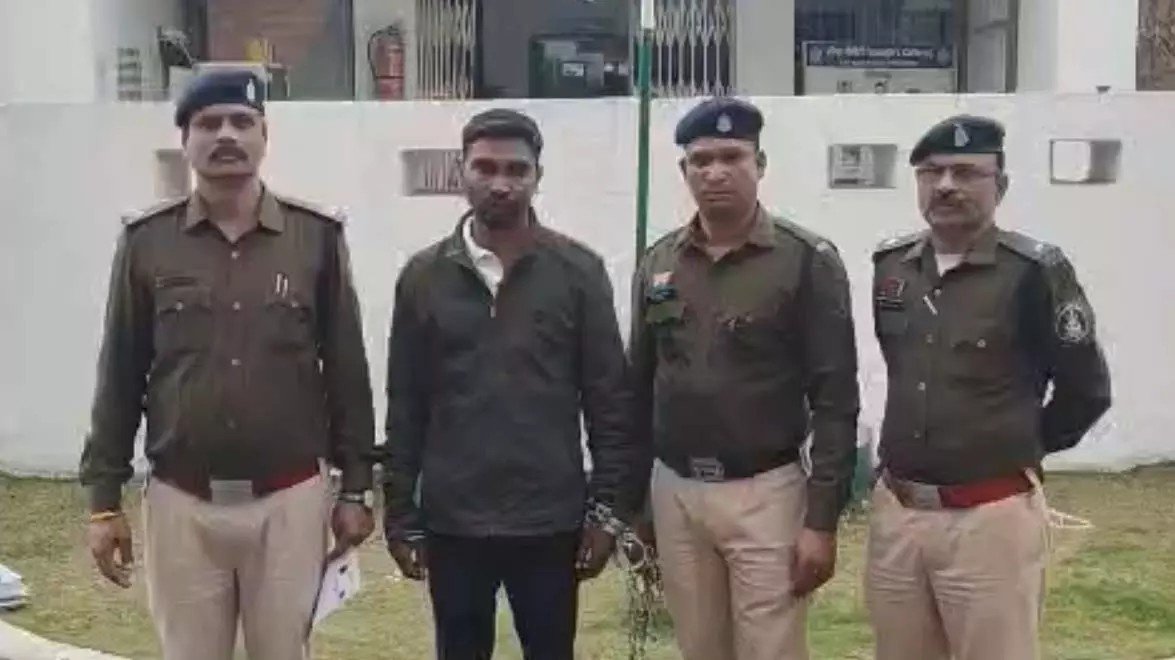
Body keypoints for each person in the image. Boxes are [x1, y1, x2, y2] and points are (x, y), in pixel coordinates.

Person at [78, 69, 376, 660]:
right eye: (208, 123)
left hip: (289, 501)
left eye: (242, 122)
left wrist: (357, 488)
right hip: (182, 503)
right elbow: (120, 374)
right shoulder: (147, 242)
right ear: (185, 139)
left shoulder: (314, 238)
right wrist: (103, 502)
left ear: (265, 135)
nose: (226, 135)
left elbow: (347, 370)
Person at [382, 108, 646, 660]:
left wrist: (607, 513)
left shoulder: (578, 272)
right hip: (454, 521)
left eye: (516, 170)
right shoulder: (424, 277)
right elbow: (405, 405)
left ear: (537, 176)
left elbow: (608, 403)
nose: (500, 183)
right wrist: (402, 517)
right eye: (484, 167)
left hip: (549, 520)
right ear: (461, 172)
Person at [867, 114, 1112, 660]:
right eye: (931, 172)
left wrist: (1015, 444)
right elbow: (903, 366)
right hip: (898, 513)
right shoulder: (892, 267)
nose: (945, 185)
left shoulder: (1034, 271)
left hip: (989, 519)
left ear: (999, 185)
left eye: (965, 172)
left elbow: (1087, 390)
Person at [629, 97, 861, 660]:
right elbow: (637, 386)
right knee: (699, 648)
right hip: (676, 491)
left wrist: (821, 521)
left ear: (760, 164)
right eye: (701, 160)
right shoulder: (660, 261)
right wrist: (635, 503)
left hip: (765, 492)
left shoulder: (806, 260)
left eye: (732, 157)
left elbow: (835, 399)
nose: (715, 172)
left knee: (770, 649)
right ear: (684, 171)